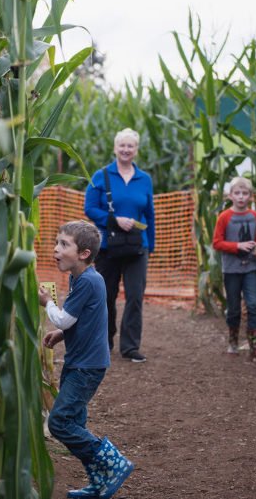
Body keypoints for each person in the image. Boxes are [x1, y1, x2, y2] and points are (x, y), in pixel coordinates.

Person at [39, 220, 133, 499]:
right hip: (79, 361)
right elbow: (84, 321)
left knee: (59, 423)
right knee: (75, 423)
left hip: (86, 367)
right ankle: (99, 482)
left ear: (84, 254)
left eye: (64, 244)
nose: (56, 249)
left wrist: (48, 305)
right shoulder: (81, 278)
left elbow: (66, 317)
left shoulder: (89, 281)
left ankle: (114, 463)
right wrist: (61, 334)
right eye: (57, 242)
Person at [84, 128, 155, 363]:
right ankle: (105, 340)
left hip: (137, 247)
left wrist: (150, 245)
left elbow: (149, 214)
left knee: (135, 296)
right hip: (107, 246)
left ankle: (130, 347)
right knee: (107, 296)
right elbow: (90, 208)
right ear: (115, 148)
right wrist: (114, 219)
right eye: (122, 145)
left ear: (136, 150)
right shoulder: (101, 175)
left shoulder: (144, 179)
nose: (126, 150)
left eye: (130, 146)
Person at [212, 176, 256, 361]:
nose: (240, 197)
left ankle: (255, 345)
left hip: (250, 269)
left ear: (250, 196)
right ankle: (233, 341)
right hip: (231, 270)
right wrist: (237, 246)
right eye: (237, 193)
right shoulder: (225, 217)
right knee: (234, 307)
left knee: (254, 304)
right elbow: (216, 242)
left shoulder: (254, 216)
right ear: (230, 195)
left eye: (244, 193)